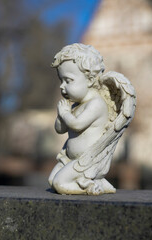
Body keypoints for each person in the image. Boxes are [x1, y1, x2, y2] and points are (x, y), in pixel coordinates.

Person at [48, 43, 110, 194]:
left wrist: (65, 114)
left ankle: (91, 188)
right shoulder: (75, 106)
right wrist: (61, 115)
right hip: (70, 159)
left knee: (59, 183)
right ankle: (89, 183)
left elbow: (77, 125)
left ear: (89, 80)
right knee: (51, 181)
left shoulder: (97, 104)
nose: (62, 87)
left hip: (88, 162)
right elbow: (60, 129)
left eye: (68, 81)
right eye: (61, 80)